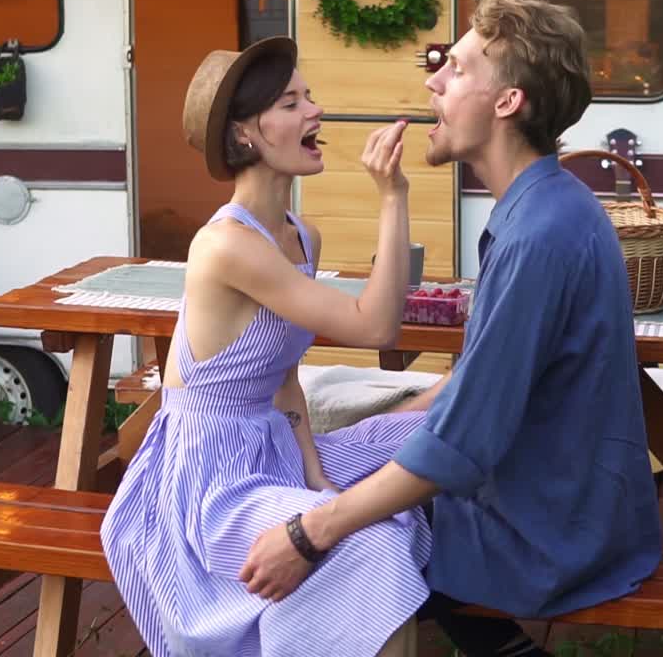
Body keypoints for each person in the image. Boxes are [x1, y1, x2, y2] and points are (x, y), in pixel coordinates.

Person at [239, 0, 663, 657]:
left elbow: (463, 446)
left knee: (346, 554)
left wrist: (308, 535)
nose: (433, 78)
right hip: (570, 504)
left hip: (549, 531)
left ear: (506, 103)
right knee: (344, 486)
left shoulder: (539, 236)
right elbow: (473, 387)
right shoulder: (543, 208)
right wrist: (370, 429)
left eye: (457, 68)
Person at [100, 36, 433, 656]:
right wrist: (393, 195)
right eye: (290, 102)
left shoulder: (303, 236)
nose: (315, 112)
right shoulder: (227, 246)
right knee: (373, 538)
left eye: (309, 96)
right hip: (207, 480)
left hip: (273, 448)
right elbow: (374, 327)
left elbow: (285, 378)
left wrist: (314, 478)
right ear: (246, 133)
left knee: (420, 441)